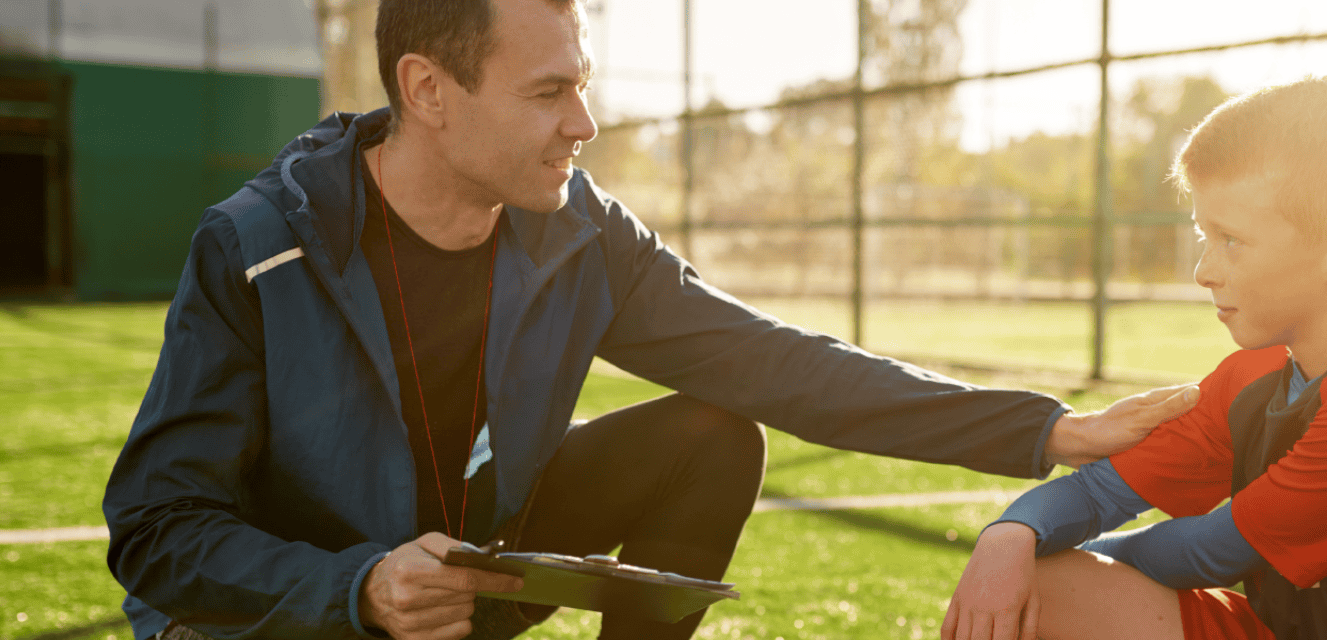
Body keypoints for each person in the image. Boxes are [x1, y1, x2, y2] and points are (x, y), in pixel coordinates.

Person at [98, 0, 1199, 639]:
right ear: (427, 91)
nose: (583, 122)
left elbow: (778, 366)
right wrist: (358, 585)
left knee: (713, 434)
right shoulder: (257, 243)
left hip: (456, 579)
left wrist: (1049, 430)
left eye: (580, 84)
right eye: (546, 94)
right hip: (309, 612)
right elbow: (153, 531)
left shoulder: (575, 232)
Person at [941, 76, 1327, 640]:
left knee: (1040, 583)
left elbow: (1208, 551)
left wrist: (1049, 557)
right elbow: (1100, 493)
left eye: (1231, 241)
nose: (1204, 271)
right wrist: (1011, 535)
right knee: (1042, 584)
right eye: (1206, 238)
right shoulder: (1256, 374)